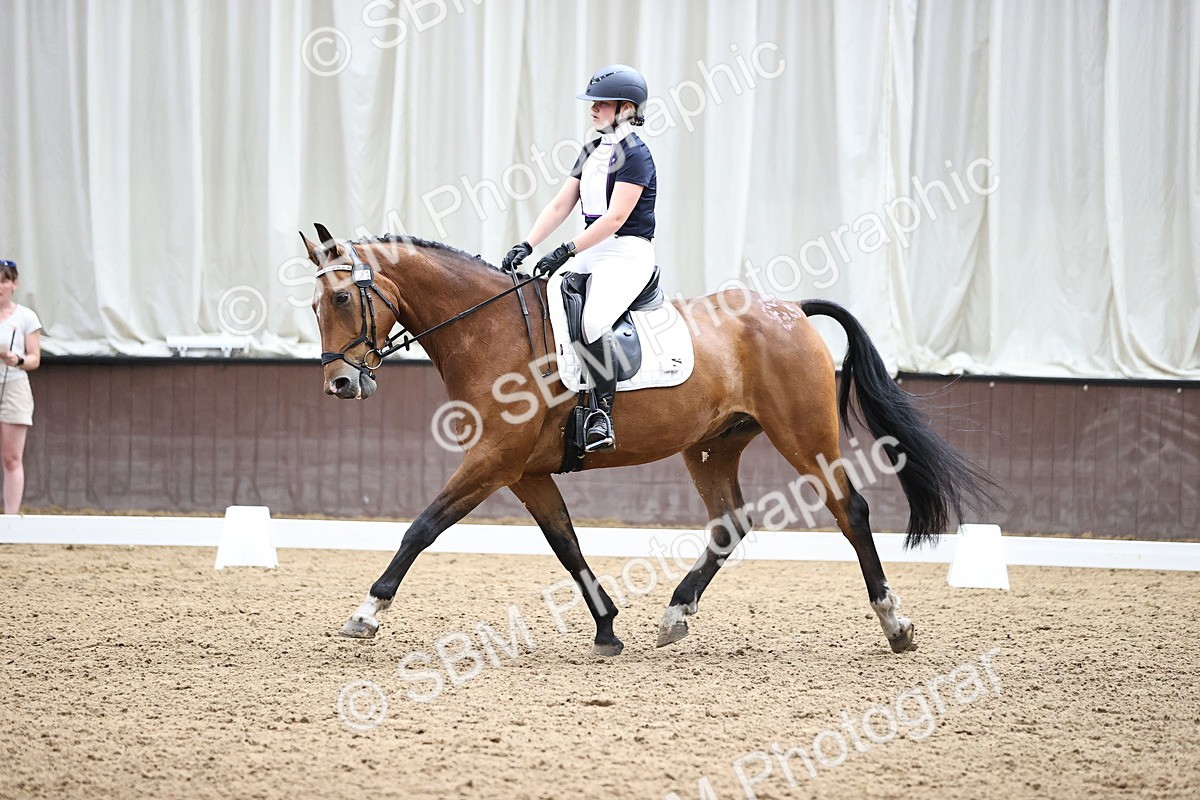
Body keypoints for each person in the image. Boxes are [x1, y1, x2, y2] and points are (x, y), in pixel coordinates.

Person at [502, 64, 658, 452]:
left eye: (601, 103)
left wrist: (566, 249)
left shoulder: (636, 155)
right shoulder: (592, 149)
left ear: (625, 108)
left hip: (626, 252)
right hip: (592, 249)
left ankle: (601, 415)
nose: (593, 109)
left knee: (593, 321)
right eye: (593, 103)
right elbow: (561, 205)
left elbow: (615, 218)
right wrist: (528, 244)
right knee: (541, 302)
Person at [0, 260, 42, 514]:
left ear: (14, 284)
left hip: (13, 384)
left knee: (11, 457)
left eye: (4, 281)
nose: (0, 286)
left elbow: (35, 358)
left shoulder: (26, 317)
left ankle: (10, 520)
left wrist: (18, 360)